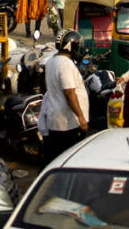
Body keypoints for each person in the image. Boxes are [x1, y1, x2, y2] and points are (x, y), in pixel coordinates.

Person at [38, 30, 89, 163]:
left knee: (53, 159)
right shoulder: (66, 64)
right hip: (68, 124)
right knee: (69, 160)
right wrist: (81, 117)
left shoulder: (51, 61)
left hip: (55, 120)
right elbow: (69, 93)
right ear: (71, 47)